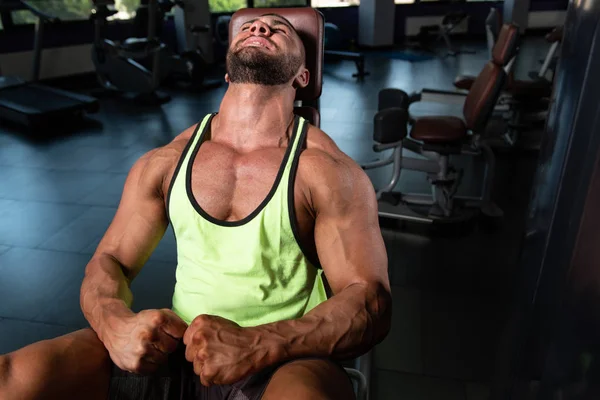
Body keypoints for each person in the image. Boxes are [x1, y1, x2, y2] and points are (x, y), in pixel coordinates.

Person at [0, 12, 391, 400]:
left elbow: (369, 300)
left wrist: (259, 343)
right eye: (252, 27)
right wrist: (115, 324)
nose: (260, 27)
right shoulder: (165, 162)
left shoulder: (327, 171)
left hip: (284, 358)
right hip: (181, 351)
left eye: (280, 29)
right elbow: (109, 261)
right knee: (11, 377)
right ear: (226, 71)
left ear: (302, 75)